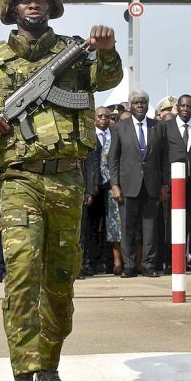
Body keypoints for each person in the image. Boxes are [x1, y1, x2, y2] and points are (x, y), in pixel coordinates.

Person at [0, 0, 121, 381]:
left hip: (66, 180)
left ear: (51, 6)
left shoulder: (75, 54)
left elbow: (107, 80)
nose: (33, 3)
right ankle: (23, 372)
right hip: (19, 181)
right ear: (11, 7)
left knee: (60, 278)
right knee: (23, 271)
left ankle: (49, 367)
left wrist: (106, 51)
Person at [109, 91, 162, 278]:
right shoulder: (119, 127)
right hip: (127, 186)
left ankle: (148, 266)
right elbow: (113, 158)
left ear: (148, 105)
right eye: (136, 102)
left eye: (143, 102)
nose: (140, 105)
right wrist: (114, 184)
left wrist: (163, 185)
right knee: (127, 229)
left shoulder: (157, 126)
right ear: (130, 105)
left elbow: (162, 159)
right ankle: (129, 266)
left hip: (151, 186)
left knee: (150, 230)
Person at [158, 94, 191, 274]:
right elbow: (162, 155)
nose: (186, 109)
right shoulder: (166, 126)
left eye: (189, 106)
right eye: (183, 106)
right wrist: (164, 182)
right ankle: (172, 261)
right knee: (172, 224)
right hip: (173, 184)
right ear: (177, 107)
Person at [80, 107, 113, 277]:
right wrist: (90, 189)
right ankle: (90, 262)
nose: (104, 119)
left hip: (111, 188)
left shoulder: (114, 135)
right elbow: (88, 164)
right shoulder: (89, 135)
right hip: (94, 188)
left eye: (107, 117)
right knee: (90, 227)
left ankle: (106, 262)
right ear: (94, 118)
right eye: (100, 116)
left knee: (109, 227)